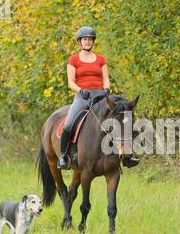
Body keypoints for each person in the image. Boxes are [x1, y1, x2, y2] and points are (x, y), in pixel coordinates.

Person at [57, 26, 139, 170]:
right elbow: (70, 82)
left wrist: (106, 89)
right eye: (85, 39)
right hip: (82, 97)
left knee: (122, 119)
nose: (87, 42)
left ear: (93, 41)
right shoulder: (73, 60)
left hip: (100, 97)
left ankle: (128, 157)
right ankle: (64, 156)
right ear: (80, 42)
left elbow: (106, 79)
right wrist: (81, 90)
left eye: (90, 39)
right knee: (68, 125)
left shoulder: (100, 59)